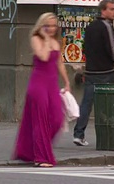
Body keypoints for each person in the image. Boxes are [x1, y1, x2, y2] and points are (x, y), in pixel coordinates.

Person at [13, 12, 71, 167]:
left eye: (53, 26)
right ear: (41, 26)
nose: (51, 29)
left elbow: (60, 64)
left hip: (52, 85)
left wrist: (67, 82)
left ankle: (35, 149)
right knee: (41, 120)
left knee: (57, 119)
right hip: (38, 85)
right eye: (48, 26)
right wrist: (45, 39)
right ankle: (41, 157)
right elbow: (44, 57)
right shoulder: (36, 39)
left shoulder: (56, 42)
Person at [73, 0, 114, 146]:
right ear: (103, 11)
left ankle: (78, 134)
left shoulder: (90, 27)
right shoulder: (107, 26)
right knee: (113, 103)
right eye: (111, 9)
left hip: (91, 71)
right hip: (106, 71)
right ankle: (112, 133)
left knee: (87, 104)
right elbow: (111, 49)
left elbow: (86, 48)